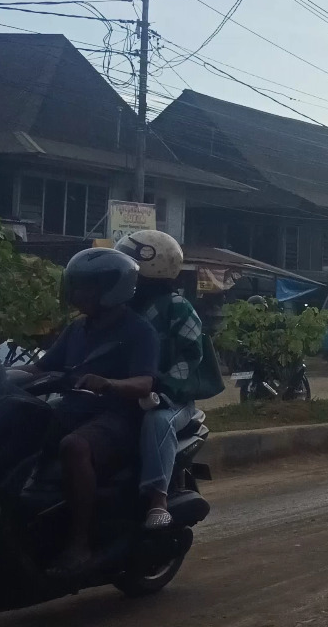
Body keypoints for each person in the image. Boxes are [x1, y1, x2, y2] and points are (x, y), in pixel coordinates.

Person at [28, 248, 159, 575]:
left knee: (75, 447)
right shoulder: (77, 330)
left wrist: (110, 384)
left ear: (111, 289)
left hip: (118, 418)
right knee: (16, 428)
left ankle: (80, 544)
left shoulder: (139, 331)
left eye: (87, 287)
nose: (77, 294)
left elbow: (144, 383)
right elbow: (41, 369)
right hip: (73, 410)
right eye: (76, 286)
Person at [118, 230, 210, 531]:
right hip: (124, 392)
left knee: (157, 421)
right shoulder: (121, 308)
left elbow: (190, 357)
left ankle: (158, 500)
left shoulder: (178, 307)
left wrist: (162, 387)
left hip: (172, 398)